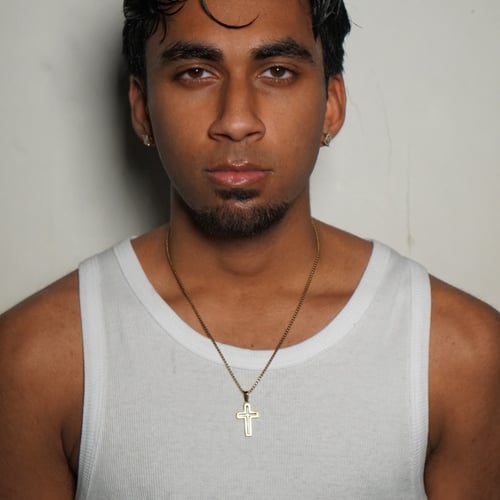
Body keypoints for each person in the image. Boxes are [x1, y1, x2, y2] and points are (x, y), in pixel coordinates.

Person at [0, 0, 499, 498]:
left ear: (331, 105)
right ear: (142, 108)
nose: (236, 120)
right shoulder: (36, 360)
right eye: (196, 72)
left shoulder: (457, 352)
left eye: (277, 71)